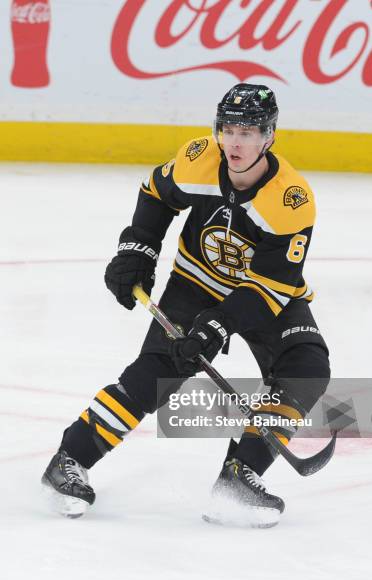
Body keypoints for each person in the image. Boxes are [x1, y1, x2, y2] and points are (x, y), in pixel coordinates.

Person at [42, 83, 330, 526]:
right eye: (228, 128)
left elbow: (270, 288)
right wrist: (138, 248)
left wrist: (217, 326)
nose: (235, 142)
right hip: (195, 282)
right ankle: (70, 458)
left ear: (270, 136)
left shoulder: (291, 201)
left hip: (265, 295)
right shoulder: (199, 157)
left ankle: (241, 473)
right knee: (159, 370)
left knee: (305, 367)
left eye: (249, 132)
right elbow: (155, 193)